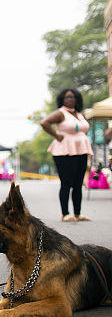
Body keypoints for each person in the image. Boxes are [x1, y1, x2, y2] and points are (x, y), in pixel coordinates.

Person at [40, 88, 93, 222]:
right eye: (68, 97)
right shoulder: (60, 113)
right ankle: (65, 214)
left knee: (78, 183)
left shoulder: (80, 114)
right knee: (66, 183)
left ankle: (78, 213)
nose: (71, 99)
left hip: (81, 150)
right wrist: (56, 136)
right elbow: (44, 122)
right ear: (62, 100)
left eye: (73, 97)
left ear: (77, 99)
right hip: (64, 151)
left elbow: (84, 129)